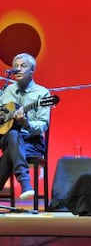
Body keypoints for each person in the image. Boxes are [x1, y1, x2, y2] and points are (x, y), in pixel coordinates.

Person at [0, 53, 51, 200]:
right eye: (15, 66)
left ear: (32, 71)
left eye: (23, 66)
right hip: (5, 138)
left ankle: (25, 182)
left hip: (31, 141)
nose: (18, 69)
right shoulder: (7, 91)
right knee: (11, 135)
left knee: (13, 136)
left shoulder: (42, 93)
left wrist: (26, 123)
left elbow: (43, 125)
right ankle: (25, 185)